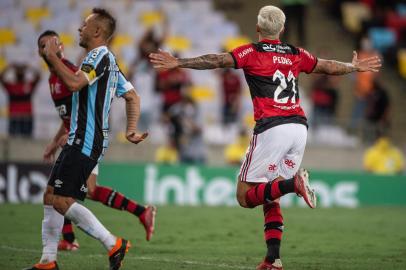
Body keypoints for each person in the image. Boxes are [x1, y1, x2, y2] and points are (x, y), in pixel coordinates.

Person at [150, 5, 381, 270]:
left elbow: (216, 60)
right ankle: (273, 259)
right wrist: (353, 67)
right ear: (282, 29)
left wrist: (180, 62)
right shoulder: (295, 53)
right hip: (299, 128)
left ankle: (294, 184)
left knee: (244, 195)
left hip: (273, 128)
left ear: (258, 28)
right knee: (269, 194)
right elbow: (327, 66)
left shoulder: (251, 52)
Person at [26, 8, 149, 270]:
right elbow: (132, 96)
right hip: (80, 138)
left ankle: (113, 244)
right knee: (50, 195)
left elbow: (73, 83)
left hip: (85, 139)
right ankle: (48, 261)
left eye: (85, 24)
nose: (79, 28)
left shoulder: (98, 55)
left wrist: (52, 56)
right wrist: (130, 129)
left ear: (97, 31)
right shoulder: (109, 62)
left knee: (62, 200)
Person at [0, 62, 40, 137]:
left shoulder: (28, 85)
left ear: (24, 73)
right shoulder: (11, 86)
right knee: (12, 141)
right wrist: (9, 67)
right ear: (15, 73)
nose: (20, 72)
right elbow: (1, 77)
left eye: (21, 71)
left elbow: (38, 76)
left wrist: (28, 67)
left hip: (27, 117)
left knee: (27, 141)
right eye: (18, 71)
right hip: (14, 117)